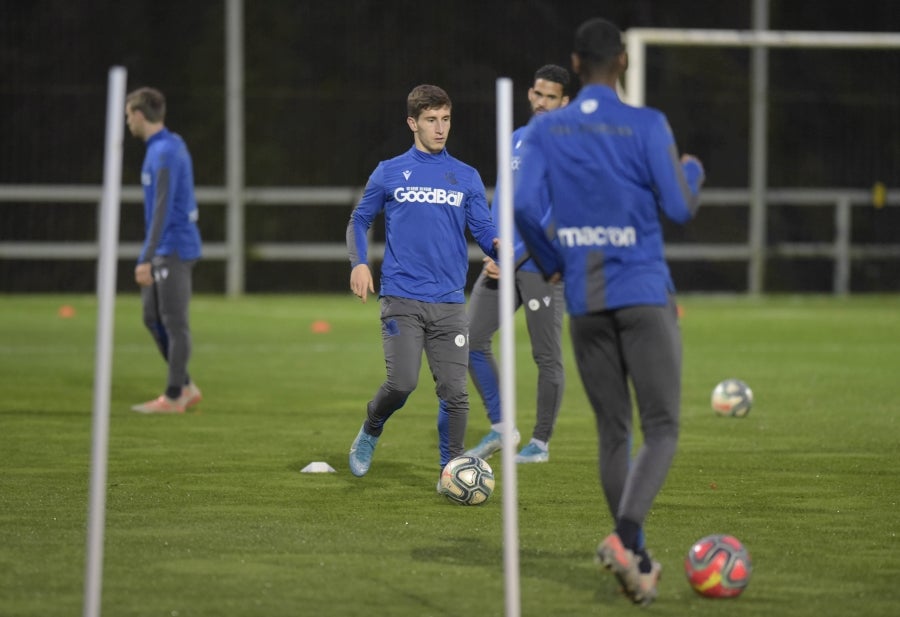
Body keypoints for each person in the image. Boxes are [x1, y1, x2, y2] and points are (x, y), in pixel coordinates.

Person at [513, 18, 705, 606]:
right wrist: (694, 172)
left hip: (585, 299)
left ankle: (638, 562)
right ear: (622, 62)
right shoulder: (647, 124)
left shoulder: (549, 129)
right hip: (643, 292)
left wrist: (550, 261)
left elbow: (520, 204)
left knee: (613, 432)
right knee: (664, 427)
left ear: (574, 64)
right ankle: (624, 539)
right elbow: (678, 206)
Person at [346, 84, 498, 481]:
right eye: (431, 120)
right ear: (413, 122)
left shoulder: (466, 176)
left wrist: (498, 246)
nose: (440, 128)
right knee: (402, 383)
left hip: (449, 302)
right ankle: (371, 427)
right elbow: (360, 220)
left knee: (455, 392)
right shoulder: (390, 170)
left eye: (445, 119)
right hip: (401, 297)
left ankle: (451, 469)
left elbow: (484, 228)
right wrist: (359, 263)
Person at [453, 64, 571, 464]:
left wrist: (514, 256)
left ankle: (539, 444)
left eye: (550, 96)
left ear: (564, 102)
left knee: (546, 355)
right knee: (469, 339)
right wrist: (492, 247)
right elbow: (500, 202)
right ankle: (504, 428)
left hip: (539, 266)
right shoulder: (516, 139)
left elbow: (556, 220)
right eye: (537, 94)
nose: (541, 102)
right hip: (500, 262)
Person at [125, 87, 203, 414]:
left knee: (174, 322)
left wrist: (146, 257)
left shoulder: (166, 152)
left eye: (129, 115)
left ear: (140, 115)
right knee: (151, 317)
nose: (128, 122)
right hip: (163, 246)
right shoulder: (162, 146)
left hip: (173, 248)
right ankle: (184, 385)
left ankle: (174, 397)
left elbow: (162, 209)